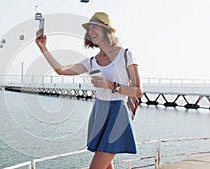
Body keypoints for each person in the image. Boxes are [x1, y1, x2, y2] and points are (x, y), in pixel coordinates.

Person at [36, 11, 143, 169]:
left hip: (117, 114)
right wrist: (43, 48)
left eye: (95, 27)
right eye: (89, 29)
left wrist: (110, 85)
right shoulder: (92, 61)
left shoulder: (125, 54)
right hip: (99, 111)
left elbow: (138, 92)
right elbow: (62, 70)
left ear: (107, 31)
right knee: (107, 166)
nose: (91, 31)